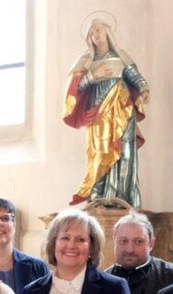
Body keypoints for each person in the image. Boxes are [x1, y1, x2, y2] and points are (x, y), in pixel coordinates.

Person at [62, 16, 149, 206]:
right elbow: (74, 89)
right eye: (91, 33)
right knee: (100, 153)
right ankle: (100, 196)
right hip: (99, 113)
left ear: (108, 32)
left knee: (125, 152)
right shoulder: (86, 60)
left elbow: (134, 76)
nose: (95, 35)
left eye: (98, 30)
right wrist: (93, 76)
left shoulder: (121, 56)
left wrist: (143, 88)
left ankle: (124, 197)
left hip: (123, 109)